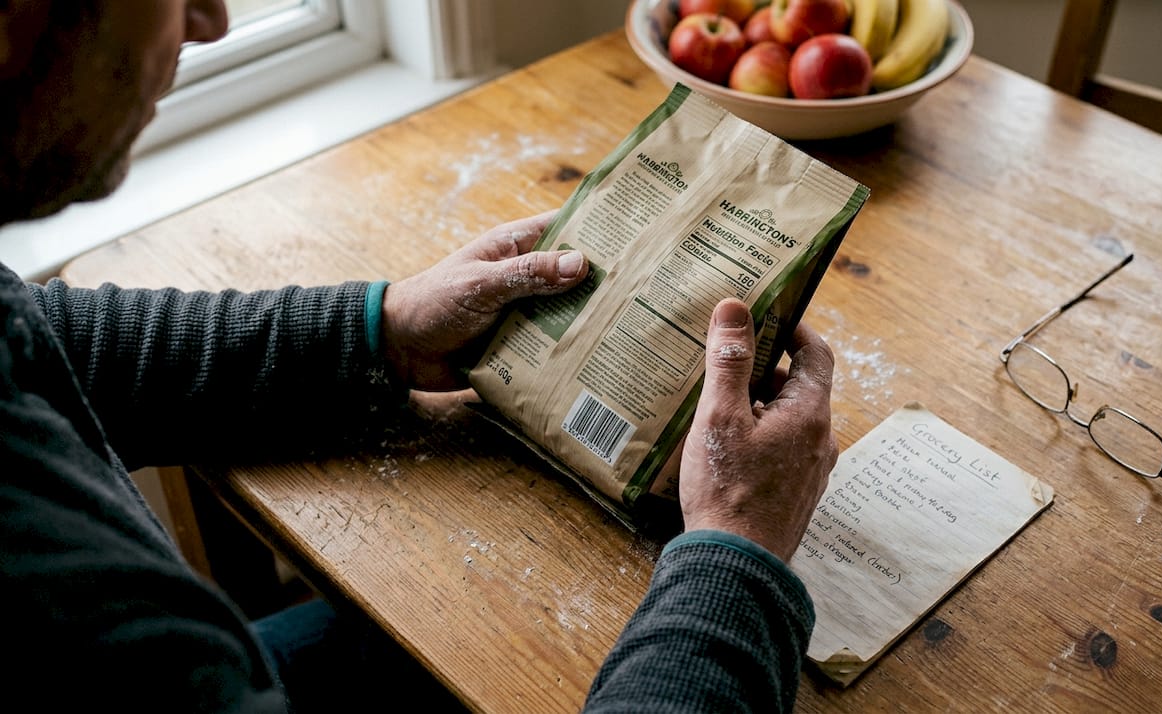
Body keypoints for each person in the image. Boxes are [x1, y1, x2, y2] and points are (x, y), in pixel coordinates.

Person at [0, 1, 838, 712]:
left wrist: (383, 330)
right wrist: (739, 558)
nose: (211, 20)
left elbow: (36, 335)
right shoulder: (75, 618)